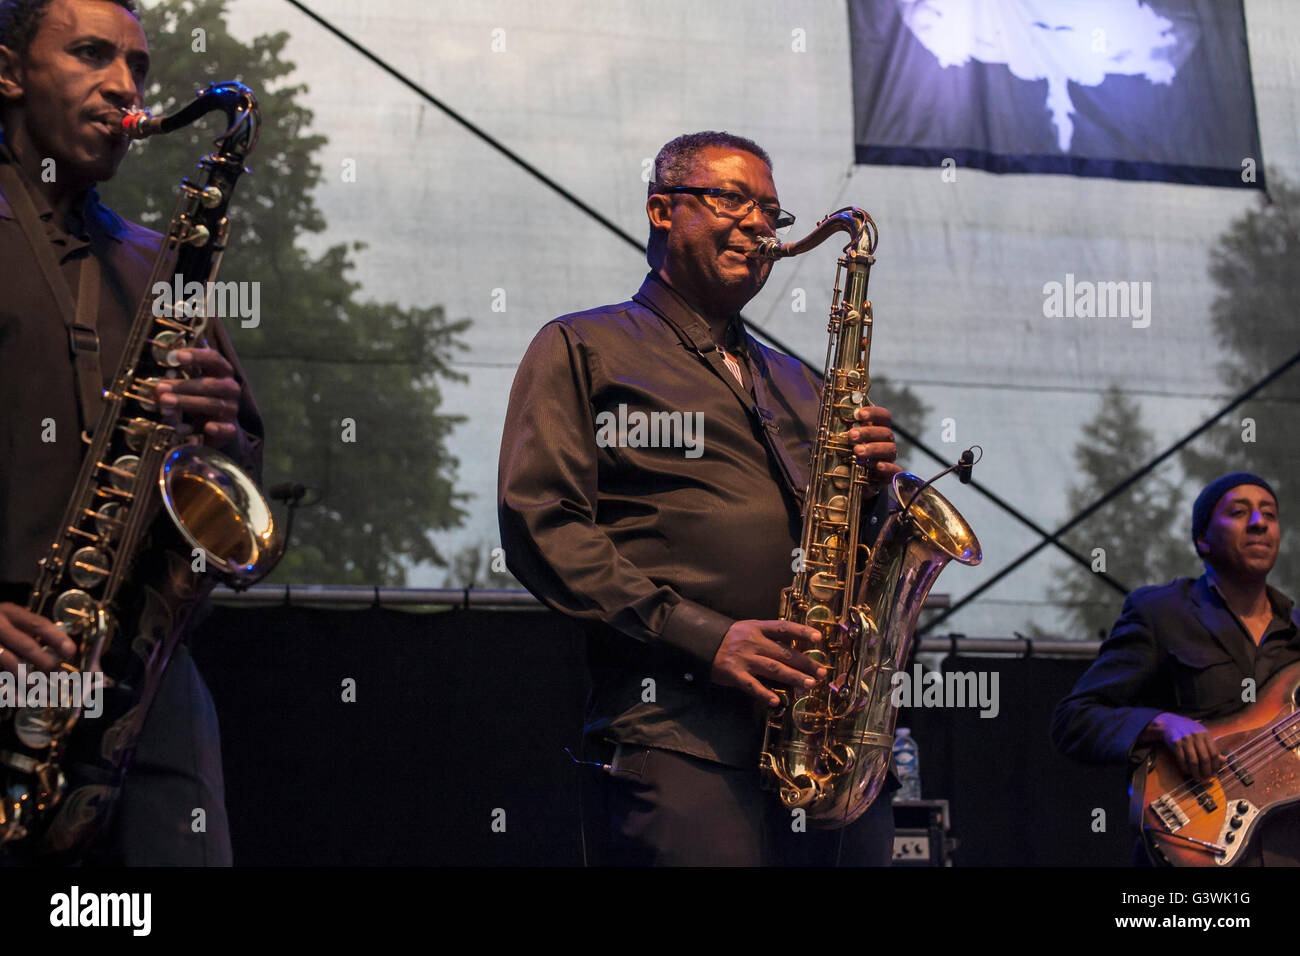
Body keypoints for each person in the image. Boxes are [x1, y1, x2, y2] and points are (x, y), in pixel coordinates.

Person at [498, 130, 901, 865]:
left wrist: (876, 493)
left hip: (825, 750)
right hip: (678, 738)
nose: (758, 224)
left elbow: (849, 554)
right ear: (661, 210)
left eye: (771, 213)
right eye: (730, 198)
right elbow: (542, 525)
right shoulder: (583, 347)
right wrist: (705, 637)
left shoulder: (803, 384)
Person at [0, 0, 262, 864]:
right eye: (89, 55)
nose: (124, 87)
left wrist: (225, 428)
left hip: (143, 686)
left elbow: (237, 490)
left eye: (138, 68)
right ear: (7, 74)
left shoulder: (162, 262)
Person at [1052, 472, 1300, 865]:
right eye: (1240, 512)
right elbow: (1075, 720)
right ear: (1203, 538)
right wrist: (1161, 724)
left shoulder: (1295, 630)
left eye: (1269, 513)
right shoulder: (1161, 613)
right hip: (1190, 847)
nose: (1259, 522)